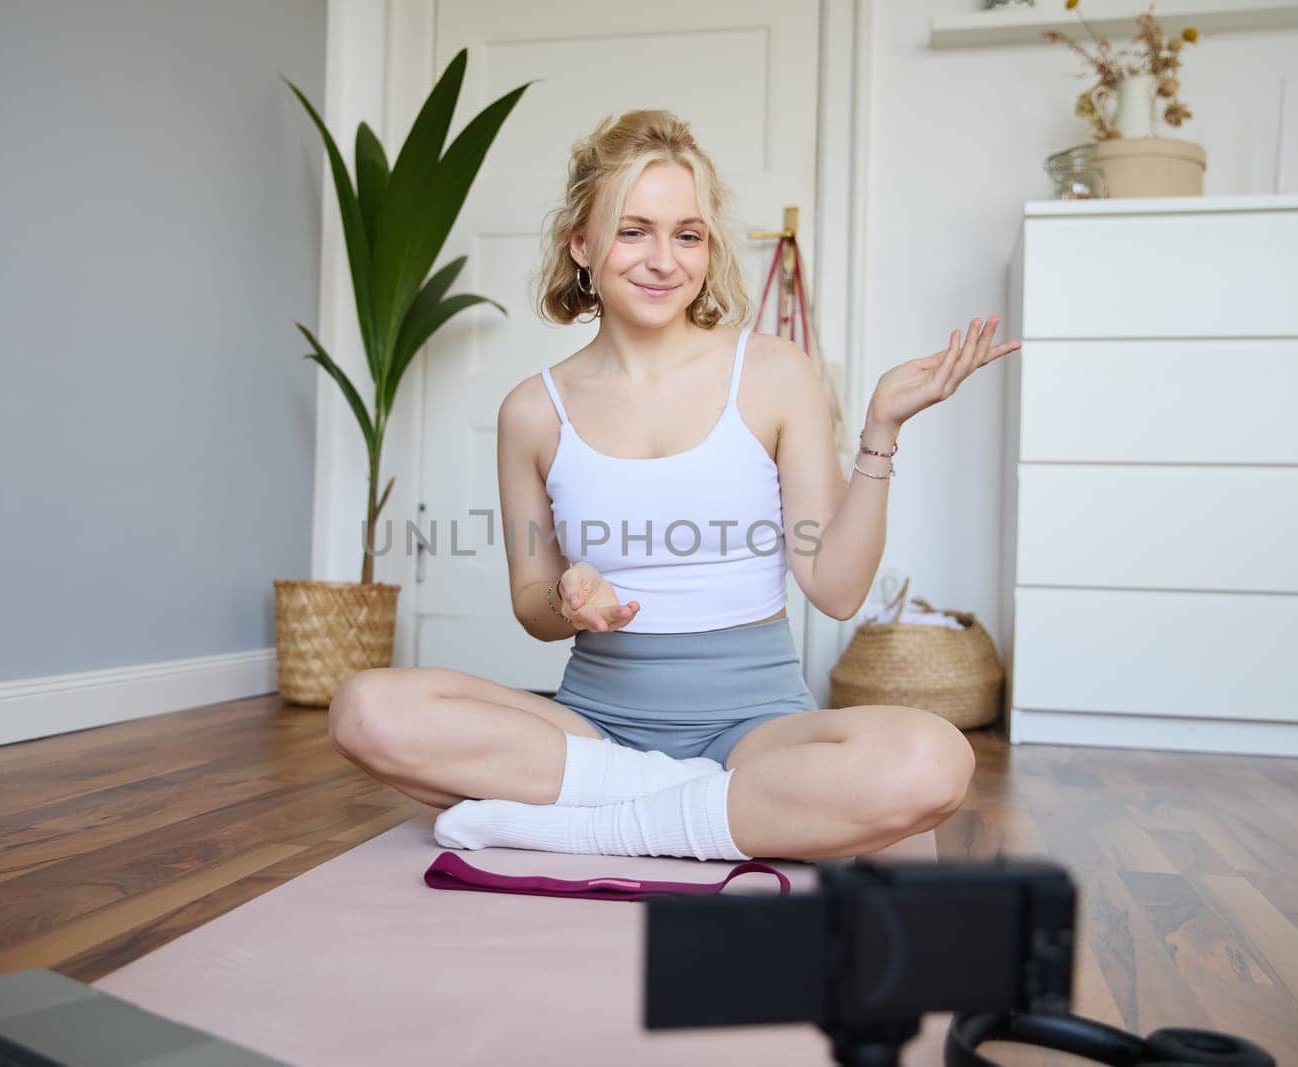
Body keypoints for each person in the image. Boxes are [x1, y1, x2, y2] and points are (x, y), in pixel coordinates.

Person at [327, 110, 1020, 863]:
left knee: (933, 760)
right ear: (581, 244)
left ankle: (602, 824)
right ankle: (705, 812)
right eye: (633, 231)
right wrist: (567, 599)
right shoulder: (533, 411)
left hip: (756, 732)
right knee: (366, 710)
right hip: (594, 728)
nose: (664, 260)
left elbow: (838, 589)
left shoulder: (774, 372)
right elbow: (533, 604)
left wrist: (881, 427)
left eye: (687, 234)